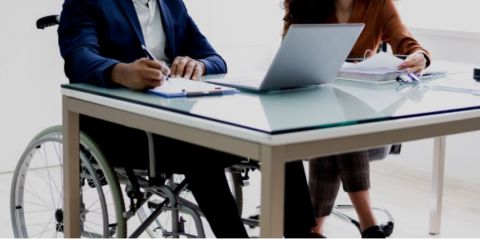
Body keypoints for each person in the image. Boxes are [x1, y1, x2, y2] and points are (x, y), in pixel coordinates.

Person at [58, 0, 316, 237]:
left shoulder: (170, 4)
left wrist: (199, 65)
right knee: (200, 148)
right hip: (122, 129)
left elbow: (215, 59)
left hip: (176, 117)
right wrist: (121, 72)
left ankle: (302, 234)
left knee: (274, 134)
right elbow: (78, 58)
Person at [282, 0, 431, 237]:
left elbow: (409, 45)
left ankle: (318, 229)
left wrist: (419, 57)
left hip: (367, 124)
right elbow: (290, 60)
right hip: (310, 120)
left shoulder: (379, 5)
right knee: (334, 123)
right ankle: (367, 226)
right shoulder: (305, 5)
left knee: (337, 126)